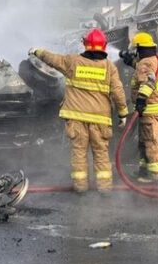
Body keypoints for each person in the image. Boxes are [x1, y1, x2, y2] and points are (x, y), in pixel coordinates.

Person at [30, 29, 128, 193]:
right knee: (101, 153)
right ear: (104, 46)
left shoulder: (73, 62)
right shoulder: (109, 67)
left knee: (79, 153)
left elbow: (53, 59)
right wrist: (123, 113)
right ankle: (104, 188)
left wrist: (37, 52)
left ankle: (80, 187)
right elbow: (118, 92)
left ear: (85, 44)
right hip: (100, 120)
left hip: (76, 119)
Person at [120, 32, 158, 182]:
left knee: (150, 142)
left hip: (149, 109)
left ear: (139, 48)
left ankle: (154, 175)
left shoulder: (145, 63)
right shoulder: (153, 59)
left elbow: (149, 82)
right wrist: (132, 63)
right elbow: (148, 73)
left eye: (135, 50)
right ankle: (144, 169)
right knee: (145, 141)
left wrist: (141, 100)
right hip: (157, 108)